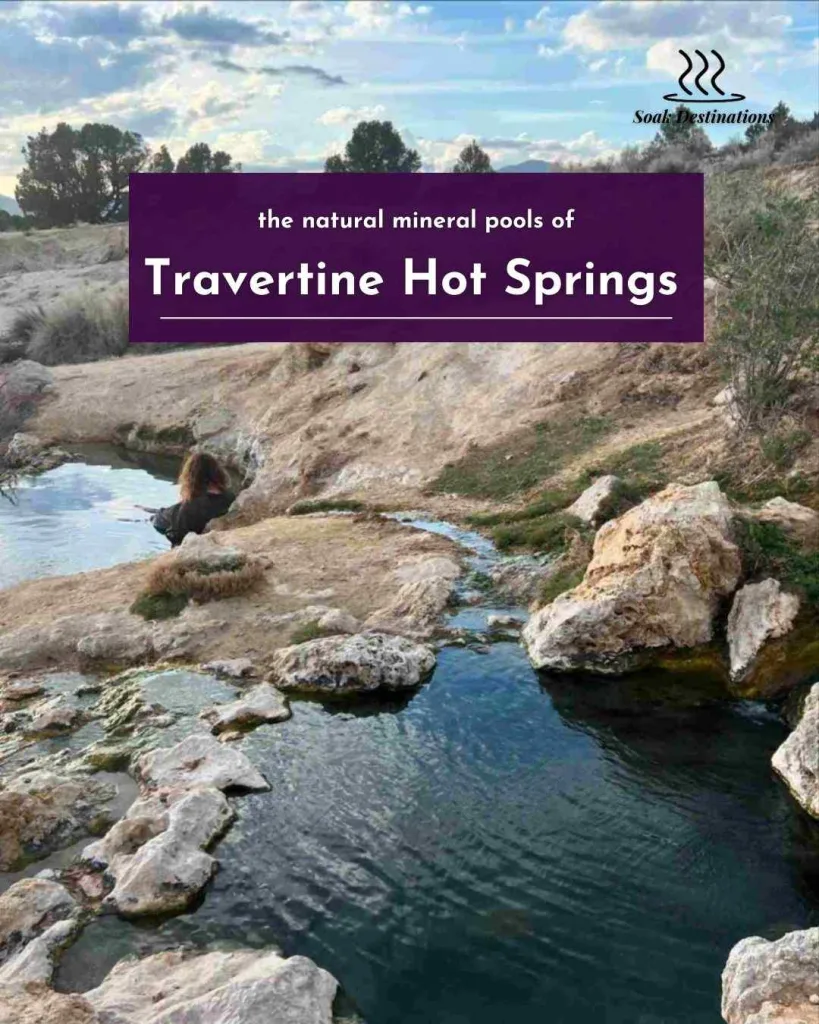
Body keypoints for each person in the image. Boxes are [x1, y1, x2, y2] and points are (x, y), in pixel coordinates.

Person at [149, 451, 235, 547]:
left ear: (191, 476)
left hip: (163, 522)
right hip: (170, 516)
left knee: (158, 514)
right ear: (217, 472)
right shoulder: (230, 497)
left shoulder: (191, 506)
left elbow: (177, 536)